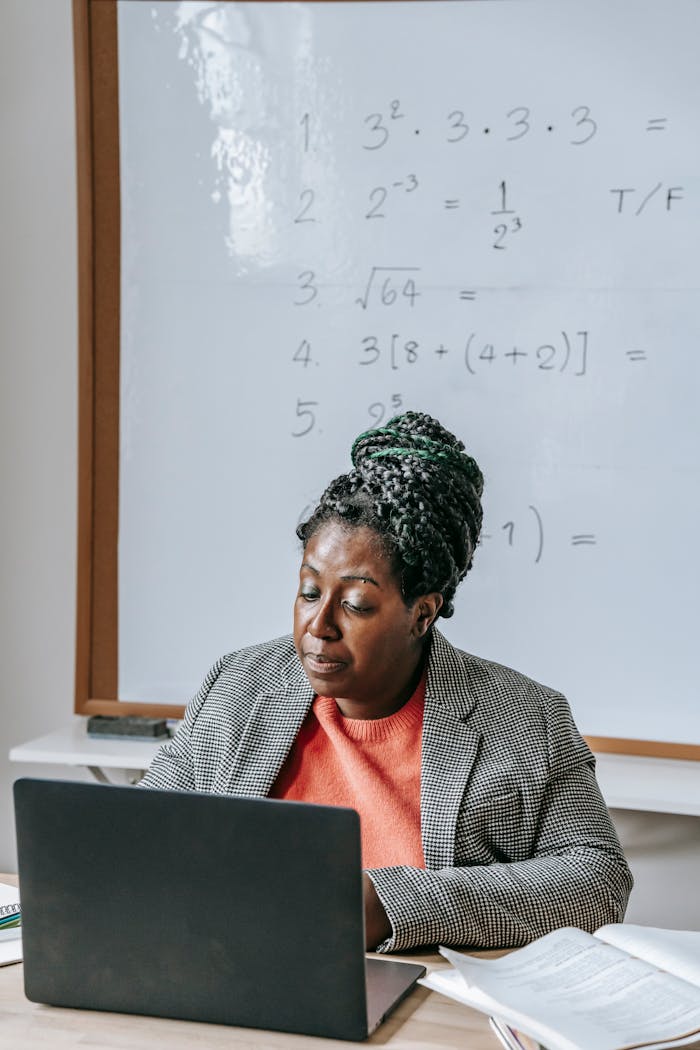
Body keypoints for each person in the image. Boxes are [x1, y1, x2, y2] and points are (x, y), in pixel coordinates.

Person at [141, 411, 632, 952]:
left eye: (355, 604)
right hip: (235, 964)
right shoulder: (239, 685)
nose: (319, 626)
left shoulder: (524, 718)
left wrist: (389, 904)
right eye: (308, 593)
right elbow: (141, 828)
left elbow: (599, 881)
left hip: (419, 996)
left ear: (422, 613)